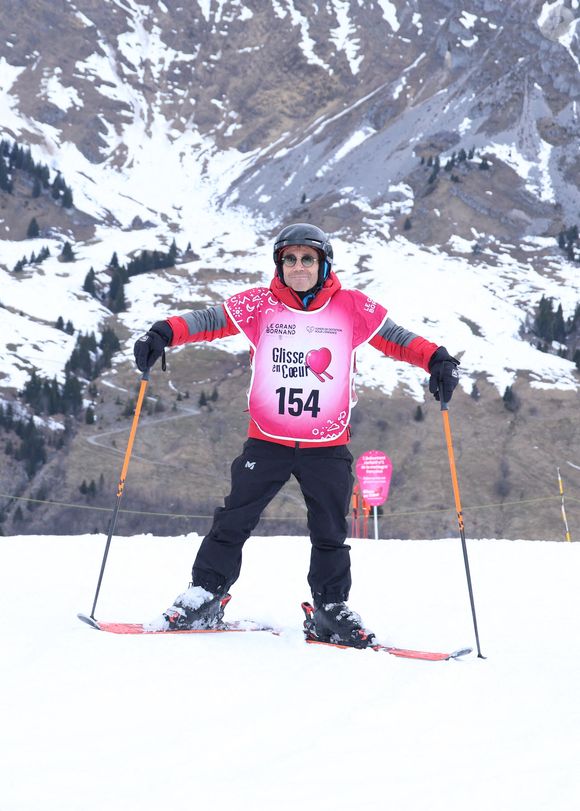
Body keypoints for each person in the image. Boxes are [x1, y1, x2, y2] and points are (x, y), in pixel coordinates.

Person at [134, 223, 459, 647]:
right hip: (267, 439)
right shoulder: (259, 304)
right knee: (233, 521)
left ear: (323, 264)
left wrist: (436, 358)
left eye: (308, 258)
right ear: (279, 264)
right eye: (290, 258)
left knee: (329, 531)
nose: (299, 266)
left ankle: (329, 610)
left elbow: (396, 338)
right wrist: (163, 332)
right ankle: (205, 595)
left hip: (327, 445)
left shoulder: (352, 306)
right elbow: (208, 320)